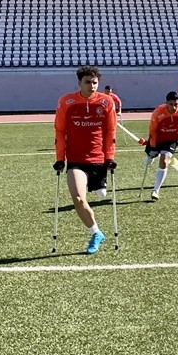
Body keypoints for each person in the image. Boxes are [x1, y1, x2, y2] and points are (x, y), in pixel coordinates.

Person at [53, 65, 118, 254]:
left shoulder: (106, 103)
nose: (92, 86)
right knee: (79, 198)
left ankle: (100, 183)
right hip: (76, 160)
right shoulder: (67, 102)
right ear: (79, 83)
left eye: (95, 82)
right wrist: (60, 158)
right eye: (87, 82)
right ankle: (96, 233)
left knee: (101, 195)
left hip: (98, 159)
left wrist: (110, 157)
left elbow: (110, 131)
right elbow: (60, 130)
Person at [145, 90, 178, 200]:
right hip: (157, 138)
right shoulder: (158, 112)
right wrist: (153, 146)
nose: (174, 107)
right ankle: (150, 157)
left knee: (164, 161)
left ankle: (156, 190)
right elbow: (152, 130)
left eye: (176, 104)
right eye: (171, 104)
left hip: (171, 139)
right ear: (166, 103)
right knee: (149, 159)